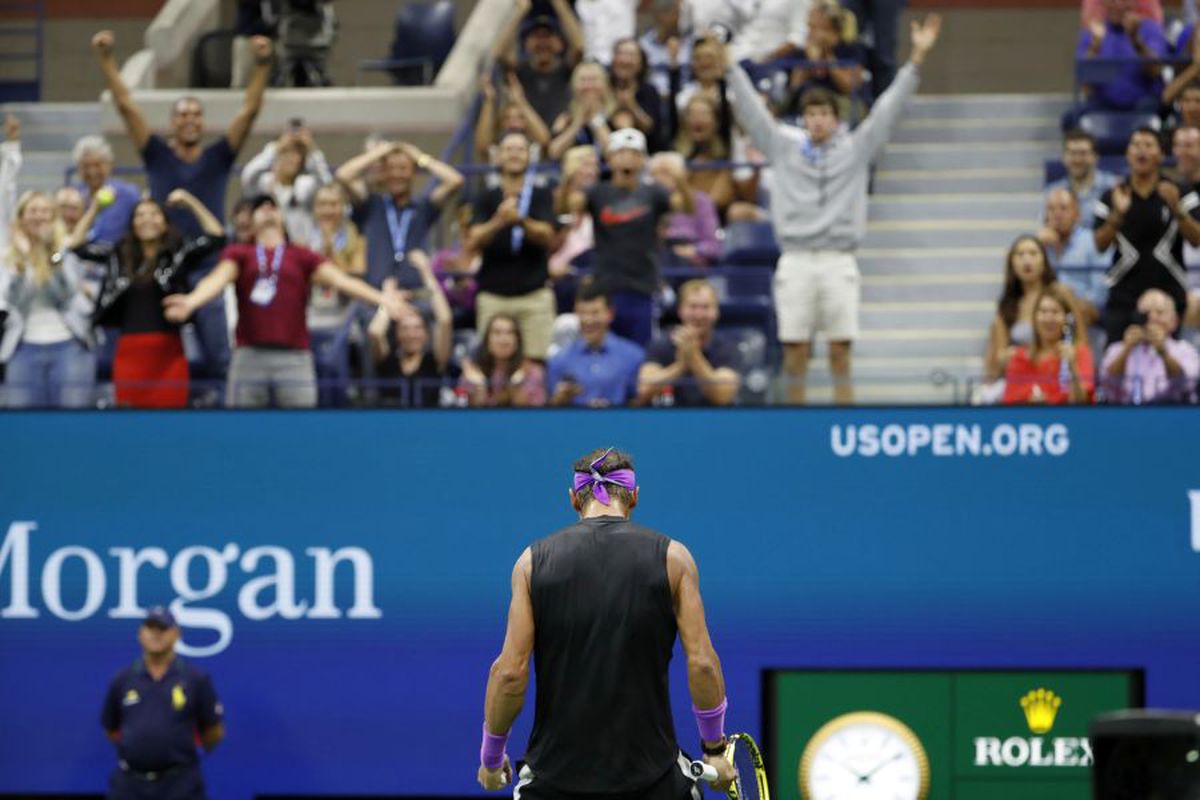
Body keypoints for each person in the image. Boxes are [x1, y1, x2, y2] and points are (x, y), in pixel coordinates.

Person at [475, 446, 735, 796]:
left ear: (573, 498)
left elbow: (508, 674)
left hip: (552, 784)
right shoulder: (674, 559)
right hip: (654, 782)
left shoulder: (531, 563)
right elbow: (702, 663)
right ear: (634, 496)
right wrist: (714, 750)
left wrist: (492, 760)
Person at [725, 14, 943, 405]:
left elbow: (887, 111)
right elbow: (753, 115)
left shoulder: (855, 151)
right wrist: (730, 69)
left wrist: (917, 60)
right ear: (804, 120)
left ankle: (843, 423)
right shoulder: (784, 149)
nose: (817, 121)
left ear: (835, 119)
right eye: (811, 115)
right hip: (795, 259)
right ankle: (795, 429)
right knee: (795, 355)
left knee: (841, 353)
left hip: (838, 259)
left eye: (824, 114)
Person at [92, 28, 273, 385]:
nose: (189, 119)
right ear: (172, 122)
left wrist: (263, 65)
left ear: (202, 122)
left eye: (195, 114)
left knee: (220, 362)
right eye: (182, 114)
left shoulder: (218, 157)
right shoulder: (157, 155)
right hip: (164, 269)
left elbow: (250, 111)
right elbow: (126, 106)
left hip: (207, 268)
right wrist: (106, 60)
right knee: (157, 359)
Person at [162, 195, 403, 408]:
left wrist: (382, 299)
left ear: (283, 218)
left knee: (300, 430)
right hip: (248, 357)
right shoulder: (240, 253)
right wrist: (191, 301)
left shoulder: (301, 255)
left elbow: (342, 281)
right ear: (251, 221)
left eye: (273, 206)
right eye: (260, 207)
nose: (267, 209)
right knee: (241, 430)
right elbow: (217, 279)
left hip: (295, 358)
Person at [71, 190, 226, 408]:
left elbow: (217, 236)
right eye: (140, 215)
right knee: (131, 420)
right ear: (132, 224)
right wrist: (95, 207)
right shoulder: (118, 255)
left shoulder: (179, 252)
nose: (147, 220)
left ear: (165, 222)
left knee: (170, 419)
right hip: (130, 353)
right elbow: (76, 245)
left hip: (169, 353)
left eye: (154, 214)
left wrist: (190, 201)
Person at [565, 128, 694, 347]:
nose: (628, 158)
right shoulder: (598, 193)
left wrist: (680, 179)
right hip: (606, 285)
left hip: (642, 284)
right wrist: (569, 179)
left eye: (634, 153)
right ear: (609, 158)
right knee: (606, 348)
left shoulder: (654, 192)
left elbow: (688, 207)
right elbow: (566, 207)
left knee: (641, 348)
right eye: (621, 152)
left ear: (643, 159)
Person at [101, 606, 224, 800]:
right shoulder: (123, 679)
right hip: (129, 785)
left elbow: (213, 730)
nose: (156, 634)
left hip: (180, 785)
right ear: (140, 634)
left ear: (177, 634)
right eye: (150, 628)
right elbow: (111, 729)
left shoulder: (195, 679)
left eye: (163, 628)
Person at [1094, 127, 1200, 344]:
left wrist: (1177, 209)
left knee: (1172, 359)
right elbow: (1100, 244)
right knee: (1116, 358)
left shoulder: (1180, 191)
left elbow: (1197, 239)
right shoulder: (1113, 194)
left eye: (1148, 145)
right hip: (1123, 294)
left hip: (1169, 293)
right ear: (1127, 153)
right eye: (1136, 145)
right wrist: (1117, 215)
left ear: (1161, 154)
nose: (1141, 151)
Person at [469, 131, 558, 361]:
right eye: (508, 149)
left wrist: (520, 220)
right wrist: (498, 221)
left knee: (537, 362)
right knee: (489, 363)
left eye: (520, 149)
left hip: (534, 295)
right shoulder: (485, 197)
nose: (514, 155)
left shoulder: (541, 195)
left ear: (529, 156)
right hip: (493, 295)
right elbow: (473, 240)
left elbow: (548, 236)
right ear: (498, 156)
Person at [1, 190, 95, 408]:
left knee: (71, 423)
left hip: (70, 347)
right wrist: (24, 259)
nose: (39, 216)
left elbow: (65, 295)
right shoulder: (7, 257)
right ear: (22, 217)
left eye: (45, 211)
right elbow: (14, 301)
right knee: (22, 423)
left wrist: (53, 256)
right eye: (33, 211)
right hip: (22, 349)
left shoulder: (67, 252)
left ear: (53, 218)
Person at [335, 139, 464, 290]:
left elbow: (455, 180)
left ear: (413, 172)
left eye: (403, 168)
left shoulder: (422, 207)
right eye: (390, 168)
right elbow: (343, 175)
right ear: (384, 172)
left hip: (415, 292)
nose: (396, 174)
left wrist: (420, 157)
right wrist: (380, 153)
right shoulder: (372, 204)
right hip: (377, 293)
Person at [637, 278, 740, 406]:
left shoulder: (727, 346)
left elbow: (723, 396)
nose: (699, 315)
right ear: (680, 310)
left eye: (706, 307)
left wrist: (694, 357)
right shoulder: (660, 344)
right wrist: (681, 365)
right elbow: (644, 390)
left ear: (716, 312)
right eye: (693, 307)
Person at [368, 255, 454, 408]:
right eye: (405, 329)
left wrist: (426, 273)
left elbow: (445, 320)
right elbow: (375, 332)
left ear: (426, 334)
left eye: (417, 328)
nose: (411, 334)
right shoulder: (387, 359)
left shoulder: (434, 361)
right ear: (397, 333)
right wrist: (388, 299)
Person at [547, 280, 644, 407]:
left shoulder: (633, 357)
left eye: (595, 313)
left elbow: (640, 404)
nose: (588, 320)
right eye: (582, 313)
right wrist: (561, 399)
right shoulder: (559, 360)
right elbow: (549, 410)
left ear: (610, 314)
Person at [985, 235, 1067, 385]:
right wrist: (1014, 356)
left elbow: (1078, 338)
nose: (1027, 260)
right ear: (1012, 263)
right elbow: (998, 360)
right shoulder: (1006, 305)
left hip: (1056, 376)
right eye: (1020, 254)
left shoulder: (1060, 293)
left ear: (1044, 261)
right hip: (1020, 378)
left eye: (1033, 253)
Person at [1070, 0, 1167, 125]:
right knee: (1071, 120)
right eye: (1112, 1)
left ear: (1135, 3)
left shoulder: (1151, 29)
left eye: (1124, 0)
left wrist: (1135, 40)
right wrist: (1095, 46)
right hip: (1103, 103)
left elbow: (1155, 71)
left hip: (1143, 102)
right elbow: (1085, 81)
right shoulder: (1094, 31)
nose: (1118, 5)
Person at [494, 0, 585, 132]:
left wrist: (560, 5)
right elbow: (499, 54)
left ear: (559, 42)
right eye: (537, 36)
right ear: (526, 43)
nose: (542, 42)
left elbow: (579, 48)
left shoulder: (567, 70)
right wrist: (521, 11)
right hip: (525, 137)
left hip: (560, 134)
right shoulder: (519, 71)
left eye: (547, 36)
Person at [1101, 287, 1200, 402]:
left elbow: (1185, 385)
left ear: (1174, 321)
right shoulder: (1117, 349)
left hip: (1171, 410)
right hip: (1125, 411)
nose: (1152, 318)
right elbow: (1107, 385)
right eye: (1146, 313)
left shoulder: (1185, 350)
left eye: (1160, 312)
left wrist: (1163, 352)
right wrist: (1126, 351)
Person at [1003, 284, 1095, 404]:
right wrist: (1028, 402)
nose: (1048, 318)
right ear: (1035, 317)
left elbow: (1082, 403)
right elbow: (1008, 404)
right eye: (1043, 311)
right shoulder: (1020, 358)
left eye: (1055, 312)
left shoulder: (1080, 353)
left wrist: (1072, 366)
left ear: (1067, 319)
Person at [240, 127, 333, 244]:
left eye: (296, 154)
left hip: (300, 248)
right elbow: (248, 176)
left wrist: (312, 150)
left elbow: (327, 185)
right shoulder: (264, 183)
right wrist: (275, 147)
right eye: (285, 153)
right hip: (267, 247)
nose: (290, 158)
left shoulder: (305, 185)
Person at [1038, 188, 1109, 326]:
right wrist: (1038, 246)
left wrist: (1069, 301)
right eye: (1051, 209)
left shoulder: (1092, 242)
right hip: (1046, 314)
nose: (1057, 214)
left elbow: (1100, 296)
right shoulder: (1041, 245)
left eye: (1063, 208)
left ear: (1077, 214)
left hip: (1085, 314)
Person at [648, 152, 720, 267]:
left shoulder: (701, 201)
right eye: (654, 174)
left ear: (680, 175)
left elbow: (713, 246)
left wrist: (693, 250)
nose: (659, 179)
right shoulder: (645, 202)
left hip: (689, 261)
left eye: (665, 172)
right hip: (656, 258)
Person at [459, 313, 546, 407]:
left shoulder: (532, 371)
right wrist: (480, 387)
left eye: (510, 333)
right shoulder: (472, 371)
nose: (504, 340)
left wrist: (516, 388)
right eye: (497, 333)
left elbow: (536, 412)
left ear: (517, 341)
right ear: (487, 341)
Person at [70, 135, 140, 245]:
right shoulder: (73, 196)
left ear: (109, 164)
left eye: (97, 165)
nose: (92, 172)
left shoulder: (129, 194)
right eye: (86, 166)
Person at [1045, 130, 1118, 228]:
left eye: (1083, 153)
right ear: (1064, 157)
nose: (1077, 159)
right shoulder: (1052, 192)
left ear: (1095, 157)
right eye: (1072, 153)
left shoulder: (1113, 187)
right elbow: (1046, 226)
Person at [547, 62, 617, 160]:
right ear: (574, 85)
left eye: (593, 80)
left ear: (604, 84)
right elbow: (554, 153)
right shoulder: (565, 118)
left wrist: (595, 119)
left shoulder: (617, 116)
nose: (588, 86)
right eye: (583, 80)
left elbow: (616, 153)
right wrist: (578, 122)